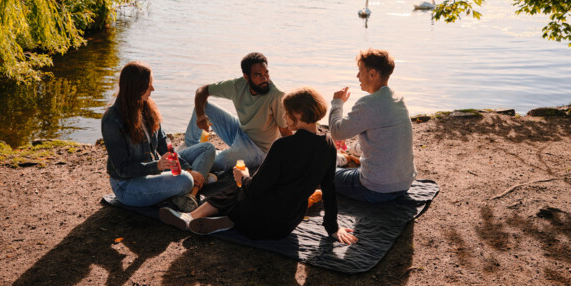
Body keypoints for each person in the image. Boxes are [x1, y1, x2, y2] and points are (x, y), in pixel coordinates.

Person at [161, 87, 358, 244]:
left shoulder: (283, 146)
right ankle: (228, 221)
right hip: (286, 224)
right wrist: (333, 228)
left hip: (257, 220)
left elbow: (255, 189)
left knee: (237, 186)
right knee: (256, 186)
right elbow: (329, 188)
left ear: (298, 115)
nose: (284, 118)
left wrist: (242, 177)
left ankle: (192, 216)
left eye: (286, 114)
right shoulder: (329, 144)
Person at [102, 61, 216, 212]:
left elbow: (164, 144)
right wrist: (157, 166)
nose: (153, 89)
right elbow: (122, 169)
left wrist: (187, 168)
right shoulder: (113, 119)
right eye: (149, 84)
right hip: (127, 185)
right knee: (184, 180)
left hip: (155, 170)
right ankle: (193, 185)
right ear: (136, 87)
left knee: (207, 148)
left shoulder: (147, 107)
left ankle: (189, 192)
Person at [328, 49, 415, 203]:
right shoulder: (398, 99)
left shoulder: (368, 103)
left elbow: (336, 132)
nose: (357, 76)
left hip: (376, 189)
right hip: (404, 184)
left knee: (323, 173)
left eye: (360, 71)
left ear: (372, 74)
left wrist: (337, 103)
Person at [183, 52, 291, 171]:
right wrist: (200, 116)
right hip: (240, 131)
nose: (264, 78)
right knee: (204, 107)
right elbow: (202, 90)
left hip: (258, 149)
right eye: (258, 75)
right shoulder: (237, 85)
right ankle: (188, 147)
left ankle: (189, 161)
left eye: (266, 73)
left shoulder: (276, 95)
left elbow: (285, 131)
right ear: (246, 77)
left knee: (213, 162)